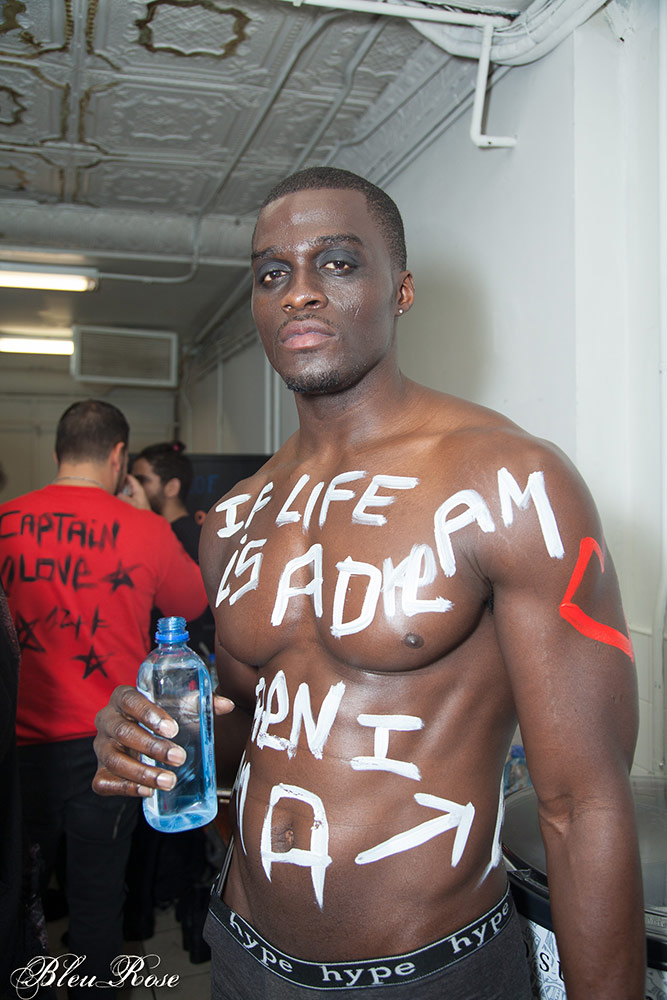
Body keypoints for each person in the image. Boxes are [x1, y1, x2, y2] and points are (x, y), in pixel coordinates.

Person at [92, 168, 645, 999]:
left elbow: (583, 805)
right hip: (241, 955)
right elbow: (247, 735)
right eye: (271, 274)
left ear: (401, 290)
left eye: (338, 264)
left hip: (430, 973)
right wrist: (156, 738)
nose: (298, 292)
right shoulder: (235, 517)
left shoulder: (506, 482)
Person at [0, 399, 208, 995]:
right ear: (119, 456)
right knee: (98, 899)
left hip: (19, 747)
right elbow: (192, 605)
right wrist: (148, 523)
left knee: (16, 893)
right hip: (110, 746)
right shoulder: (146, 529)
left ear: (58, 451)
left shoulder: (6, 521)